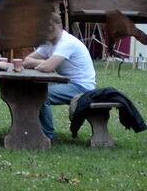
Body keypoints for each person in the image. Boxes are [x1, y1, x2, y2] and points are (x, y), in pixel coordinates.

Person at [22, 12, 96, 142]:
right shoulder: (48, 43)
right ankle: (30, 128)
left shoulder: (67, 43)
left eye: (50, 26)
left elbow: (47, 68)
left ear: (59, 26)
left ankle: (47, 136)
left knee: (41, 95)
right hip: (67, 83)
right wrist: (45, 62)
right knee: (29, 89)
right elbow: (27, 61)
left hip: (81, 86)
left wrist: (46, 63)